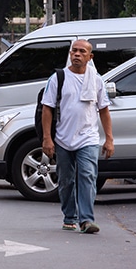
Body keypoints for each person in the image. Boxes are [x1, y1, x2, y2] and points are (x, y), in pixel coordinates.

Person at [40, 39, 114, 234]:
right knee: (65, 180)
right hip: (63, 138)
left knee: (88, 176)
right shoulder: (58, 78)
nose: (77, 54)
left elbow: (104, 111)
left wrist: (109, 139)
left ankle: (87, 220)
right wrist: (47, 138)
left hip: (88, 138)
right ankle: (69, 216)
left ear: (90, 57)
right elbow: (47, 109)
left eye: (82, 52)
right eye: (74, 51)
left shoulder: (96, 80)